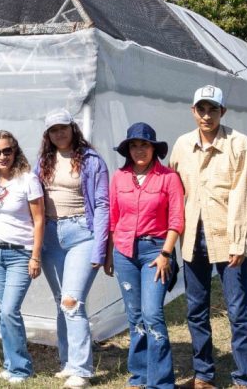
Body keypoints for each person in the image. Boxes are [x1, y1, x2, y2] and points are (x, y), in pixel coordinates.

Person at [169, 85, 247, 389]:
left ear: (223, 112)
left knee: (238, 311)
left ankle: (244, 378)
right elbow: (174, 193)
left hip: (226, 238)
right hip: (193, 240)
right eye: (202, 109)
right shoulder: (181, 146)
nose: (207, 115)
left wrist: (239, 242)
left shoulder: (238, 144)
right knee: (196, 309)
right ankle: (204, 374)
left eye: (213, 109)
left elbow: (243, 195)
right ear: (193, 111)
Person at [104, 122, 184, 389]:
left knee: (152, 314)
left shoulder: (168, 178)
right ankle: (139, 375)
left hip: (155, 252)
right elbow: (114, 218)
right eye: (134, 145)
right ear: (128, 149)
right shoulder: (120, 177)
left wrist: (165, 254)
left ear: (154, 148)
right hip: (125, 252)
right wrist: (109, 254)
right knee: (135, 315)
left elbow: (176, 221)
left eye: (145, 145)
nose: (139, 150)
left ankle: (161, 382)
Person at [35, 109, 109, 389]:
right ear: (48, 135)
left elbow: (102, 204)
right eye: (54, 130)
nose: (59, 133)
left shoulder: (92, 160)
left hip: (82, 234)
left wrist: (100, 247)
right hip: (52, 236)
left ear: (73, 128)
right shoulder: (43, 161)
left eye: (64, 128)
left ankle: (82, 369)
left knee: (72, 301)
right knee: (60, 301)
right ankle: (68, 360)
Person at [0, 130, 44, 385]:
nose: (2, 156)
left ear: (15, 151)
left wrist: (35, 256)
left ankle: (21, 368)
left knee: (9, 310)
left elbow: (39, 220)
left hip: (21, 253)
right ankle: (10, 363)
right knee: (1, 312)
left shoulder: (28, 179)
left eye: (7, 151)